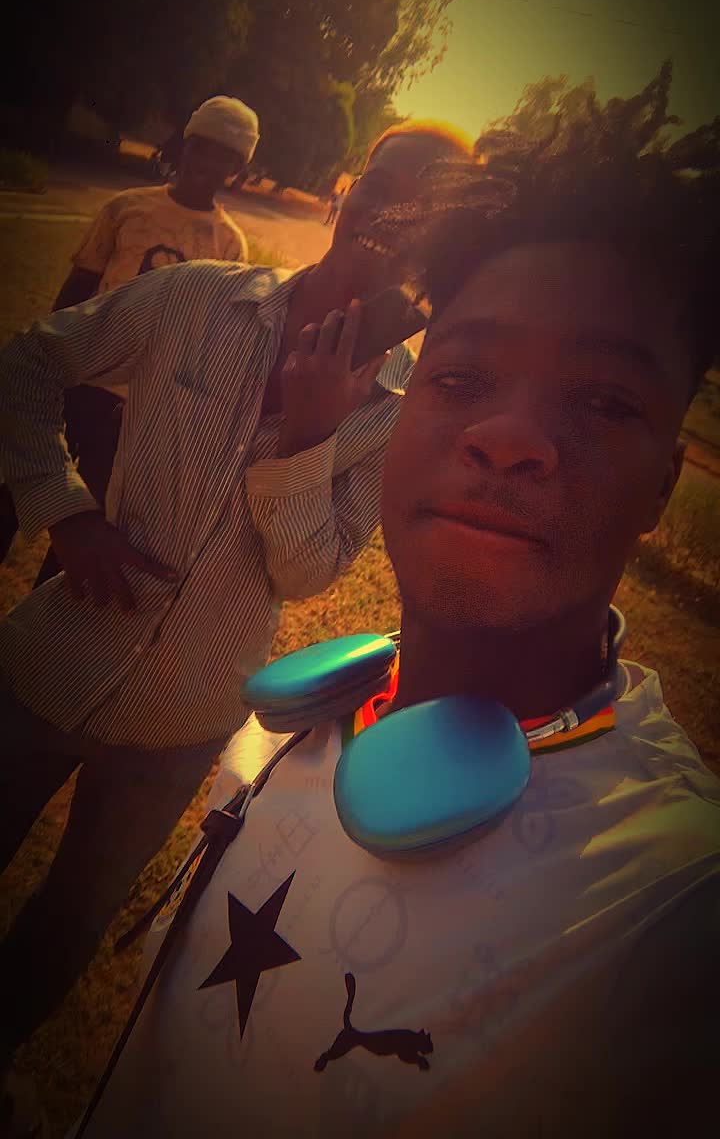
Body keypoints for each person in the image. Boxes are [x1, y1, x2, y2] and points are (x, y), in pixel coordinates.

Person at [71, 73, 719, 1138]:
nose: (508, 437)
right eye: (460, 380)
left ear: (663, 486)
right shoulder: (289, 727)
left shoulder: (670, 910)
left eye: (605, 401)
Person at [0, 122, 473, 1130]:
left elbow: (307, 572)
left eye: (426, 211)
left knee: (68, 922)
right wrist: (63, 510)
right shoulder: (195, 297)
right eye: (384, 185)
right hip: (44, 665)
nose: (392, 217)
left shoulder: (397, 412)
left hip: (181, 720)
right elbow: (28, 364)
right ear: (346, 190)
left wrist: (309, 434)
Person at [0, 94, 257, 580]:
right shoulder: (126, 209)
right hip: (74, 381)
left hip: (134, 410)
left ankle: (45, 616)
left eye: (223, 157)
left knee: (87, 524)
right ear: (183, 145)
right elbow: (75, 293)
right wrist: (50, 365)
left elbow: (205, 336)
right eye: (200, 147)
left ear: (237, 170)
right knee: (17, 486)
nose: (205, 162)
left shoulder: (228, 245)